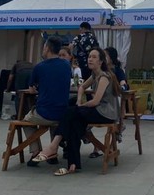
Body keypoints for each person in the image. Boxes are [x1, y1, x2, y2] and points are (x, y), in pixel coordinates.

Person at [31, 47, 121, 175]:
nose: (90, 59)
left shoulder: (104, 77)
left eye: (94, 57)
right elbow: (82, 87)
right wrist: (79, 100)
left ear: (101, 61)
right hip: (97, 110)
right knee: (74, 123)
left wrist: (80, 106)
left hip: (105, 113)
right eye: (89, 56)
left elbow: (95, 102)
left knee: (70, 112)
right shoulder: (95, 75)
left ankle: (53, 146)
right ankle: (73, 165)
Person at [22, 35, 72, 166]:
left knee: (25, 120)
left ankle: (35, 151)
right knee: (55, 123)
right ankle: (52, 153)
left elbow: (32, 89)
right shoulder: (67, 66)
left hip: (44, 112)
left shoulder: (40, 67)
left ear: (47, 48)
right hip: (63, 112)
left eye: (44, 47)